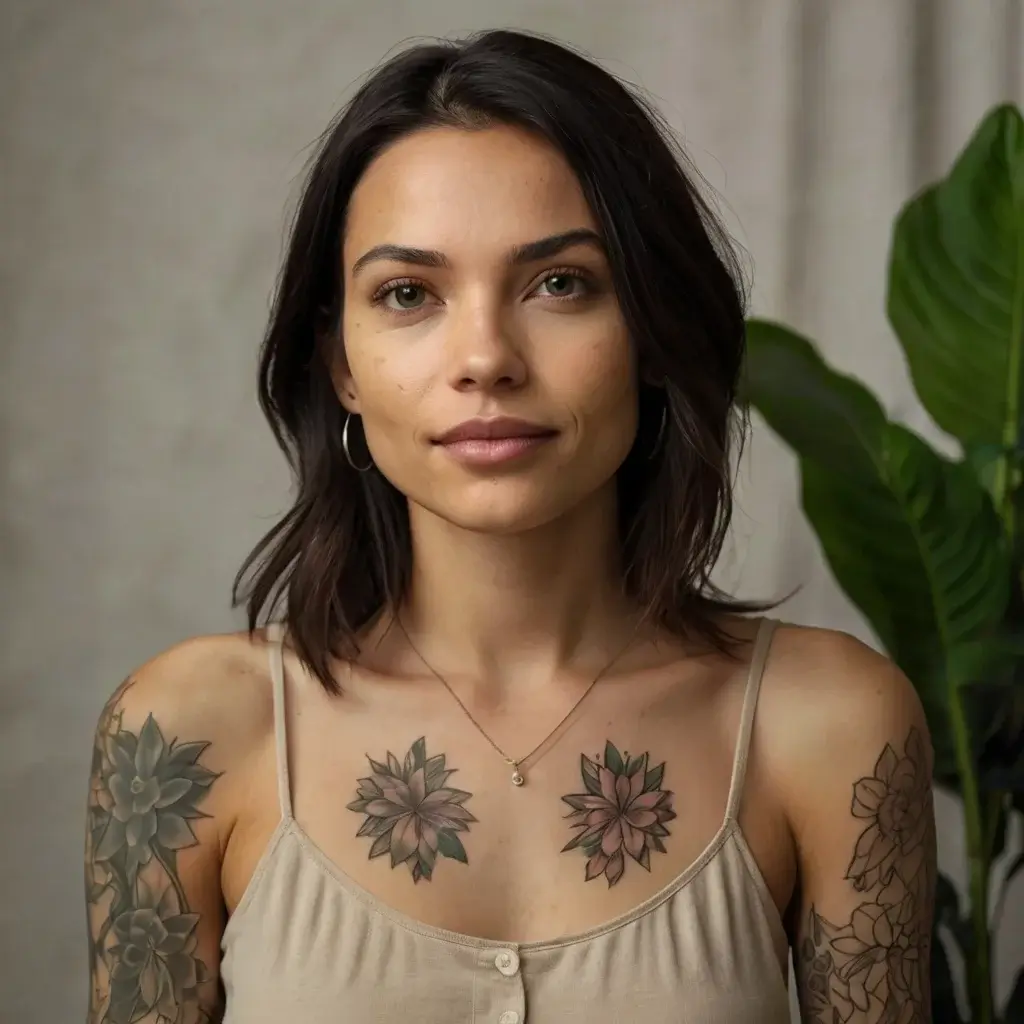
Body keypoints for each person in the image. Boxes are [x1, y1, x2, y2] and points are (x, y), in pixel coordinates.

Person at [83, 28, 936, 1024]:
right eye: (409, 294)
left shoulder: (828, 723)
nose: (485, 356)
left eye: (559, 284)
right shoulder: (187, 732)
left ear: (653, 333)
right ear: (341, 364)